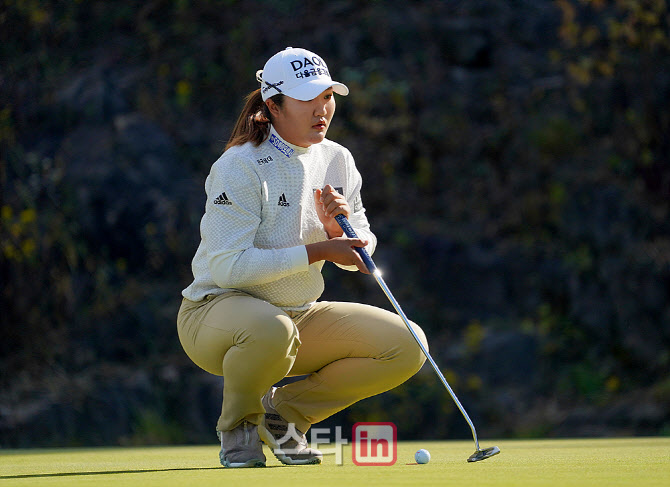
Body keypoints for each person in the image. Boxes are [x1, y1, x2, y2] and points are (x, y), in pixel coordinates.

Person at [177, 47, 428, 468]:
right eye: (307, 99)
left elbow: (362, 250)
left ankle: (283, 416)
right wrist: (319, 250)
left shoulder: (337, 158)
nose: (322, 109)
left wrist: (339, 235)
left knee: (406, 344)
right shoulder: (240, 165)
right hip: (213, 314)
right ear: (273, 106)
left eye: (327, 97)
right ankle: (239, 428)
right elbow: (228, 268)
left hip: (296, 315)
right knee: (271, 330)